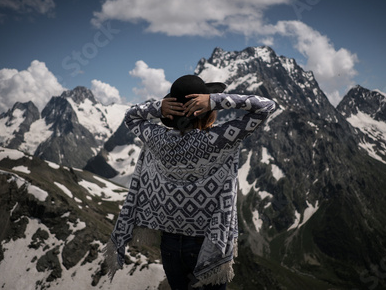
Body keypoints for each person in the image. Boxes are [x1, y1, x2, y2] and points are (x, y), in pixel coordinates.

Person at [105, 75, 276, 289]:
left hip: (168, 243)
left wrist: (159, 107)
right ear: (203, 112)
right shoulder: (218, 139)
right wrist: (215, 100)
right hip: (205, 242)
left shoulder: (157, 139)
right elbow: (267, 107)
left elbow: (131, 116)